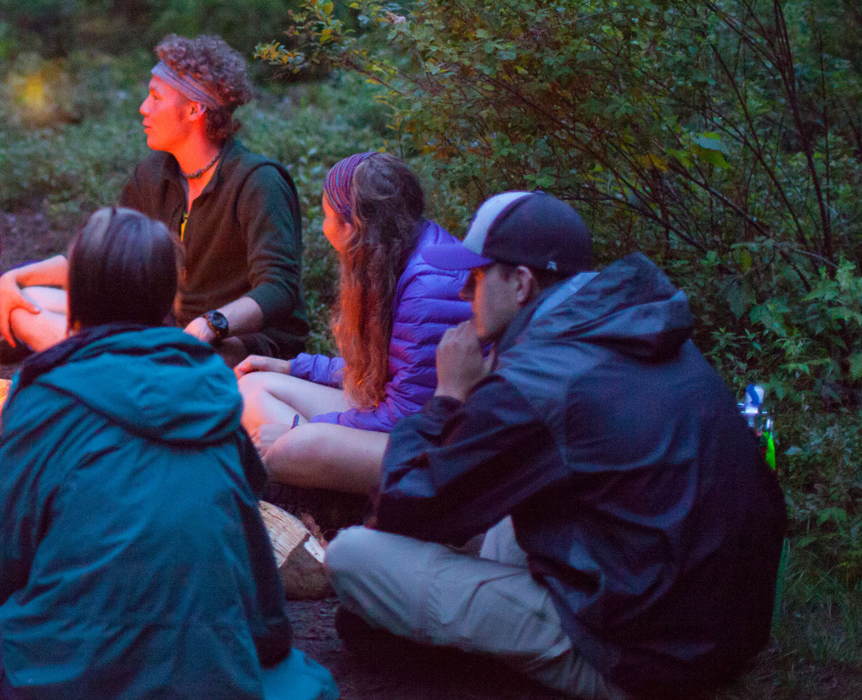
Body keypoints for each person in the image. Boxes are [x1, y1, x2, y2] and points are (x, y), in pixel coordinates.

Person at [324, 192, 787, 699]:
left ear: (521, 283)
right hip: (710, 628)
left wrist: (447, 397)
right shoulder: (631, 327)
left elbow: (398, 506)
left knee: (352, 556)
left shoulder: (541, 379)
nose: (462, 293)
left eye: (477, 276)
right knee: (507, 506)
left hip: (643, 659)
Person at [0, 208, 338, 700]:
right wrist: (266, 645)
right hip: (205, 673)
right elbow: (249, 543)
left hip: (70, 674)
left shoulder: (44, 395)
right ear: (170, 297)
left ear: (76, 296)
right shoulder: (213, 394)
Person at [0, 35, 305, 366]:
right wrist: (14, 278)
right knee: (26, 304)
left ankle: (108, 368)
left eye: (156, 97)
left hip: (236, 344)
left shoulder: (259, 181)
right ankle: (118, 369)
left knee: (180, 359)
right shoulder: (153, 175)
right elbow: (107, 261)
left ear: (194, 109)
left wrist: (211, 324)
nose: (144, 107)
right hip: (167, 329)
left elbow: (278, 289)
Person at [233, 152, 470, 496]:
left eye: (327, 215)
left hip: (429, 450)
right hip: (401, 423)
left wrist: (306, 430)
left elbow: (406, 419)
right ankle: (304, 456)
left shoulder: (427, 289)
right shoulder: (397, 254)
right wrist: (292, 366)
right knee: (253, 389)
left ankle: (312, 476)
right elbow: (382, 372)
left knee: (291, 446)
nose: (323, 227)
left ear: (352, 226)